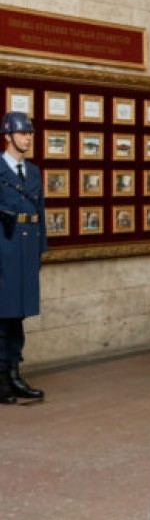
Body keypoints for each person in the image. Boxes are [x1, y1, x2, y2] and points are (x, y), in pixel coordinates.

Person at [0, 112, 46, 404]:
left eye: (29, 133)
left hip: (26, 250)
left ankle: (14, 373)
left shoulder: (33, 171)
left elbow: (40, 212)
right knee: (2, 316)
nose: (27, 138)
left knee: (17, 315)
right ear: (8, 136)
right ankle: (2, 378)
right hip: (4, 247)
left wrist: (40, 249)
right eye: (22, 133)